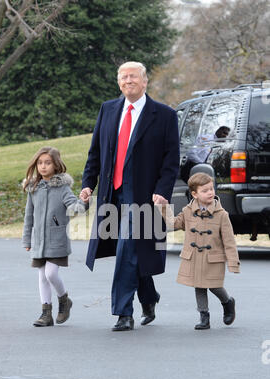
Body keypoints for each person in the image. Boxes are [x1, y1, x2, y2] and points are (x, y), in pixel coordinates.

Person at [80, 61, 180, 331]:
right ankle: (149, 296)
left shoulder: (165, 115)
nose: (128, 81)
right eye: (123, 77)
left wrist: (162, 191)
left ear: (145, 81)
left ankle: (123, 312)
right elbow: (96, 152)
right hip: (112, 194)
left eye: (133, 76)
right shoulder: (108, 110)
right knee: (132, 249)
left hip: (145, 197)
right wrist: (88, 183)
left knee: (127, 247)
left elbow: (172, 161)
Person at [161, 172, 240, 330]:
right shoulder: (188, 211)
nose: (210, 192)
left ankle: (227, 302)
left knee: (215, 286)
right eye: (205, 190)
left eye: (211, 189)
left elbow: (229, 241)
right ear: (194, 194)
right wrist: (163, 207)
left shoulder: (221, 215)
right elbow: (173, 224)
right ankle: (204, 316)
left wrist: (233, 263)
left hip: (213, 258)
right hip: (194, 257)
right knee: (199, 286)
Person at [22, 146, 89, 327]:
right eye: (40, 163)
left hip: (57, 240)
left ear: (56, 165)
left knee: (51, 273)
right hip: (39, 242)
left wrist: (84, 201)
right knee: (42, 276)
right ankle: (46, 314)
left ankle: (64, 300)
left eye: (47, 163)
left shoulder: (62, 188)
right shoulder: (33, 188)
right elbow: (29, 216)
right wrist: (27, 240)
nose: (43, 166)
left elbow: (76, 208)